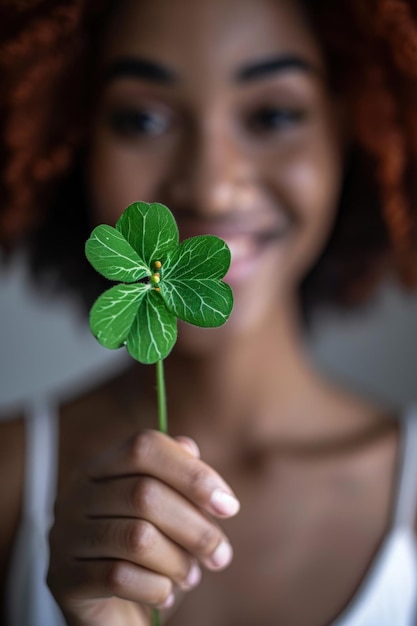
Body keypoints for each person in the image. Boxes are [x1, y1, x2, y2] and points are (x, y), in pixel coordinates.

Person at [1, 0, 417, 624]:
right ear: (73, 139)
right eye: (142, 119)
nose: (211, 185)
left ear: (347, 128)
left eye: (273, 114)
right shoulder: (10, 477)